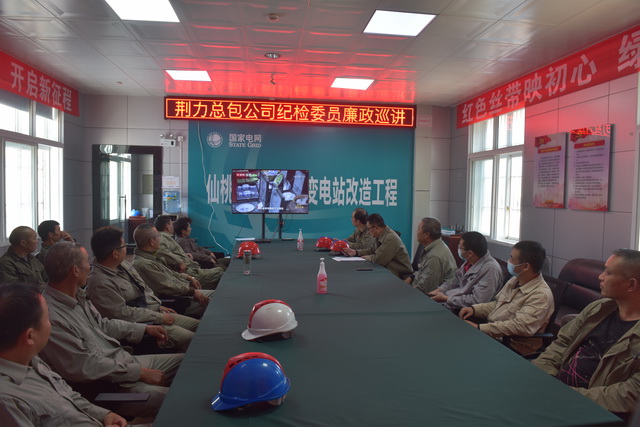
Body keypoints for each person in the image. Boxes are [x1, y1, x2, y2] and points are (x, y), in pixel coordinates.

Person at [39, 241, 184, 420]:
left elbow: (103, 325)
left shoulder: (78, 295)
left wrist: (144, 328)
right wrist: (139, 372)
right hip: (112, 383)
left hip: (122, 361)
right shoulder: (51, 316)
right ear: (75, 271)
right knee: (180, 401)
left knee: (185, 362)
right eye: (87, 262)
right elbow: (83, 365)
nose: (90, 266)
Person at [0, 282, 128, 426]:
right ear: (30, 336)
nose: (51, 322)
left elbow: (67, 397)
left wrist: (104, 415)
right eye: (47, 318)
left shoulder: (30, 359)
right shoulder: (6, 401)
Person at [533, 248, 640, 415]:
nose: (600, 277)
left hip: (589, 411)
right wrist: (540, 375)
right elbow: (562, 343)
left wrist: (563, 395)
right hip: (554, 392)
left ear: (631, 284)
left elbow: (629, 395)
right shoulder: (597, 308)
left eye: (608, 273)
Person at [86, 226, 199, 353]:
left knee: (198, 326)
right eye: (124, 246)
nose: (127, 249)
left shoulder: (123, 265)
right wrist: (158, 317)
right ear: (115, 253)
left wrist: (157, 306)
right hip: (145, 323)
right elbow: (122, 314)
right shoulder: (100, 282)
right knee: (194, 339)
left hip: (155, 311)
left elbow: (144, 288)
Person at [459, 240, 554, 355]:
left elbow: (519, 326)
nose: (509, 261)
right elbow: (497, 304)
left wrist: (480, 328)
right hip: (493, 334)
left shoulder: (541, 295)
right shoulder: (515, 280)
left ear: (525, 266)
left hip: (511, 345)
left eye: (512, 259)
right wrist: (474, 309)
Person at [132, 223, 213, 319]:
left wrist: (188, 277)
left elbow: (171, 274)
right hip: (177, 299)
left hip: (182, 291)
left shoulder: (152, 257)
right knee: (217, 298)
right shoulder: (144, 264)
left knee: (216, 294)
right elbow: (168, 286)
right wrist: (192, 291)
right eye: (158, 236)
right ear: (152, 241)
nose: (160, 239)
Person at [429, 231, 502, 311]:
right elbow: (455, 282)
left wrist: (447, 298)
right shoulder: (470, 261)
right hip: (451, 302)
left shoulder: (491, 269)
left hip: (463, 310)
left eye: (460, 247)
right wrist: (439, 290)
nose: (459, 249)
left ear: (470, 253)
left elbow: (478, 300)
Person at [154, 215, 224, 290]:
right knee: (220, 271)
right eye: (171, 224)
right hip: (189, 272)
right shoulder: (162, 238)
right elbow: (163, 252)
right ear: (167, 226)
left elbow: (170, 253)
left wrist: (185, 255)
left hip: (192, 269)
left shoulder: (167, 238)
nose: (173, 226)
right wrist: (180, 262)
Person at [343, 213, 413, 282]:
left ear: (376, 227)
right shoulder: (380, 235)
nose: (368, 232)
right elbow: (372, 249)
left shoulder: (390, 238)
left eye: (369, 229)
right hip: (387, 270)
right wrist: (355, 252)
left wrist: (367, 257)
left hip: (399, 275)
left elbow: (379, 260)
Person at [410, 217, 457, 295]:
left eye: (418, 229)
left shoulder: (434, 256)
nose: (417, 231)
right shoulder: (434, 246)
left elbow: (426, 289)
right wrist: (410, 278)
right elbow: (422, 271)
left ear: (426, 235)